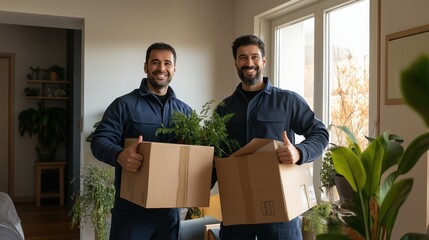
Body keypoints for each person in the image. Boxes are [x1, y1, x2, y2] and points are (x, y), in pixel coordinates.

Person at [215, 34, 329, 240]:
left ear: (263, 61)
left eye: (254, 57)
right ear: (235, 63)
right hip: (237, 212)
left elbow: (320, 133)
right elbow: (214, 156)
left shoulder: (287, 100)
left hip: (280, 211)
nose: (249, 63)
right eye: (242, 58)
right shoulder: (224, 109)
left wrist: (299, 152)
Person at [90, 42, 192, 240]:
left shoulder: (186, 112)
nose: (161, 68)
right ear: (146, 66)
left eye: (167, 63)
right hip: (131, 210)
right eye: (155, 62)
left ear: (174, 69)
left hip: (170, 211)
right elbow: (99, 140)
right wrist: (119, 155)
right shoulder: (124, 105)